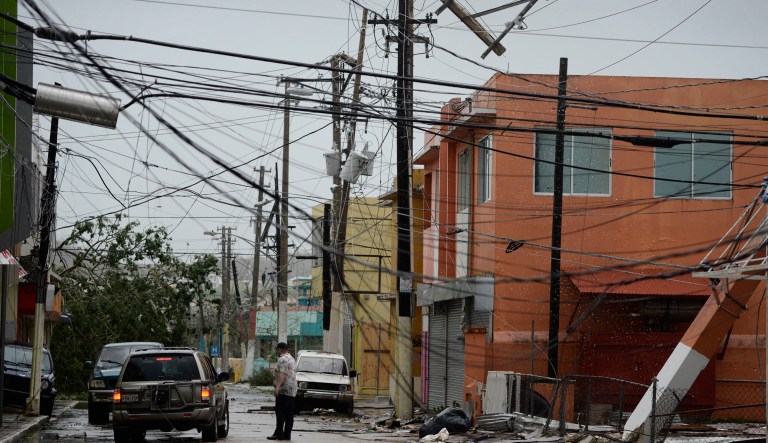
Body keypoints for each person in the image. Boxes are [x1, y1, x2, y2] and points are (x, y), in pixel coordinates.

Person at [268, 342, 297, 441]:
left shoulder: (283, 359)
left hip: (284, 390)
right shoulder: (292, 358)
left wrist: (277, 387)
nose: (277, 352)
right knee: (289, 413)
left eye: (277, 350)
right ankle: (287, 434)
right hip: (292, 390)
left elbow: (282, 373)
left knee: (280, 412)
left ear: (280, 349)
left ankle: (279, 434)